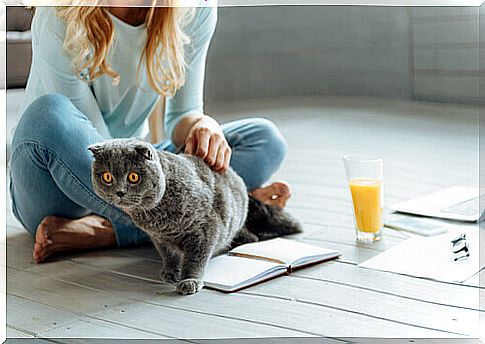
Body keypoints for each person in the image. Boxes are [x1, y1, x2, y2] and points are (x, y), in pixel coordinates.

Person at [9, 2, 291, 264]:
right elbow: (100, 151)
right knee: (48, 112)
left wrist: (202, 126)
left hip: (132, 180)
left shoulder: (194, 9)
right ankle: (235, 213)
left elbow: (182, 115)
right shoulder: (57, 14)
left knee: (263, 139)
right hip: (59, 182)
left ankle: (106, 231)